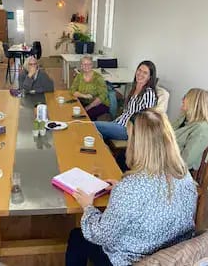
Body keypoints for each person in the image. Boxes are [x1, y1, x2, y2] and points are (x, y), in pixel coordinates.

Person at [66, 109, 197, 266]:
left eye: (129, 138)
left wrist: (88, 206)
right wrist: (120, 190)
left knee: (78, 237)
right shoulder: (184, 175)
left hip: (135, 260)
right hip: (173, 256)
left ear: (137, 144)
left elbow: (100, 235)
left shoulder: (131, 187)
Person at [94, 60, 157, 140]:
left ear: (150, 77)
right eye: (139, 70)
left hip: (130, 129)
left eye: (145, 73)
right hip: (120, 123)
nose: (140, 74)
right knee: (98, 135)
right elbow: (127, 112)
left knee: (92, 126)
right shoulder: (135, 88)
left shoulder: (149, 93)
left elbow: (147, 118)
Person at [172, 88, 208, 170]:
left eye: (186, 97)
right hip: (165, 155)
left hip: (178, 168)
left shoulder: (201, 129)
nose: (182, 99)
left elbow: (185, 161)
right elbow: (168, 132)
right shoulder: (185, 116)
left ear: (195, 103)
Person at [70, 56, 109, 120]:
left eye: (89, 64)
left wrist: (88, 107)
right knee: (72, 111)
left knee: (84, 116)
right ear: (81, 66)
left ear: (92, 65)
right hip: (84, 101)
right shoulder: (79, 76)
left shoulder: (98, 78)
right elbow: (72, 90)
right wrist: (84, 96)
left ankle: (91, 127)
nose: (87, 66)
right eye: (84, 64)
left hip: (99, 103)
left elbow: (102, 96)